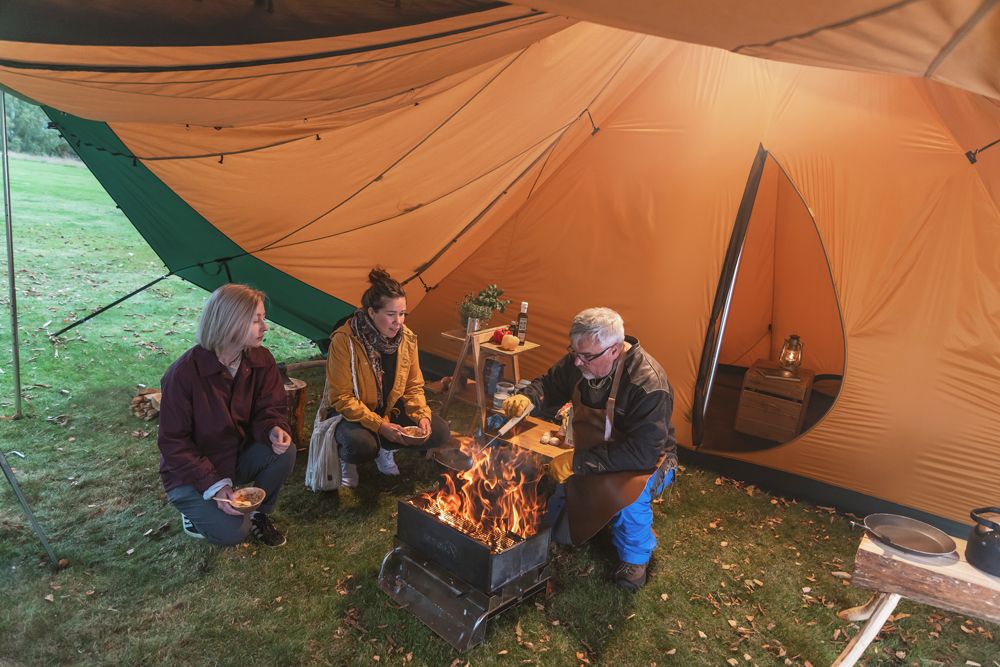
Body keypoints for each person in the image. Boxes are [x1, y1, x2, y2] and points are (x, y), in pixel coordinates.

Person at [502, 307, 677, 590]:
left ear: (615, 350)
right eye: (574, 352)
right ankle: (595, 515)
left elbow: (643, 453)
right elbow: (550, 383)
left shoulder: (648, 384)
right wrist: (528, 398)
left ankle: (635, 557)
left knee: (629, 498)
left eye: (587, 357)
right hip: (594, 452)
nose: (578, 362)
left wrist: (578, 462)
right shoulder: (582, 357)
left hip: (648, 462)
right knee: (557, 530)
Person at [157, 284, 295, 547]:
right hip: (189, 474)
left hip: (233, 458)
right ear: (230, 322)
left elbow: (270, 407)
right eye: (256, 320)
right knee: (233, 532)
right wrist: (214, 486)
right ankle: (192, 509)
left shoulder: (261, 359)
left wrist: (273, 427)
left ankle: (260, 513)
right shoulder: (184, 375)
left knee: (283, 452)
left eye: (263, 319)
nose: (265, 327)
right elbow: (174, 443)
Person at [323, 267, 450, 487]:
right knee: (361, 446)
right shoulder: (345, 340)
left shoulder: (407, 339)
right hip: (351, 414)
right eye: (391, 314)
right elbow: (341, 397)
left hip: (389, 409)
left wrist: (421, 416)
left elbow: (413, 386)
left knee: (438, 432)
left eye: (402, 314)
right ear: (372, 313)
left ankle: (385, 448)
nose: (398, 321)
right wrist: (380, 425)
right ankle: (348, 458)